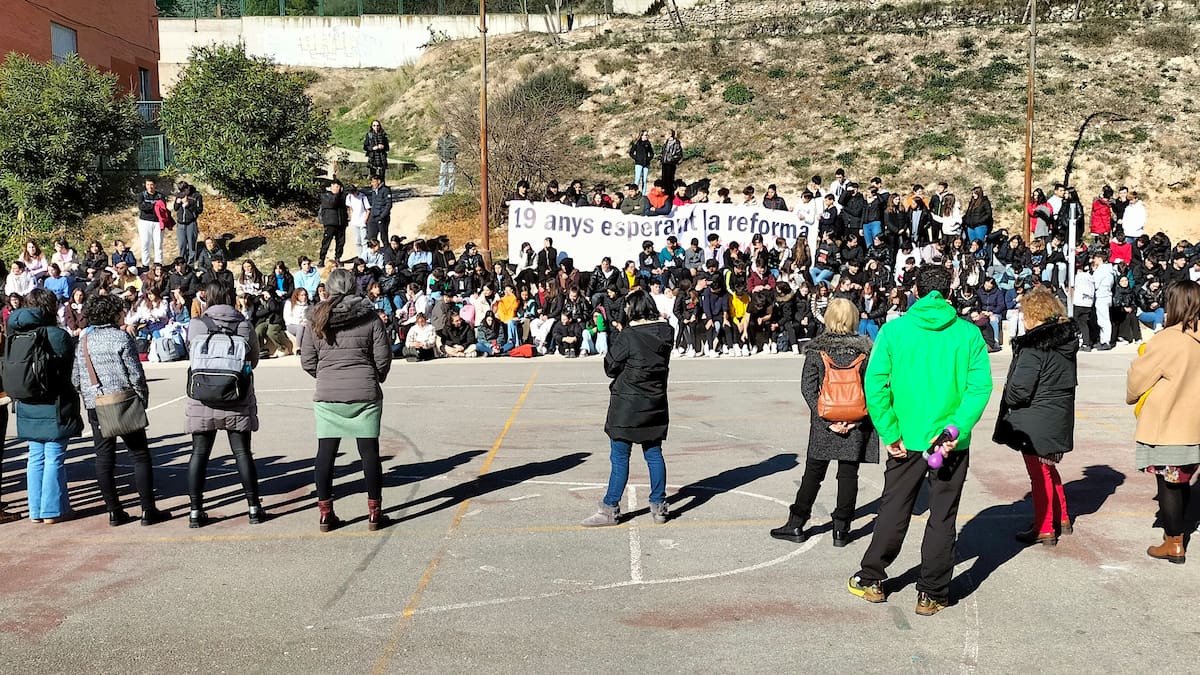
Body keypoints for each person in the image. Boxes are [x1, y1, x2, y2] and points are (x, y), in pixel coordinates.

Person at [847, 265, 992, 616]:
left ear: (915, 288)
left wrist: (889, 430)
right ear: (949, 289)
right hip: (949, 442)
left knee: (894, 507)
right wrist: (955, 428)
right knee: (942, 515)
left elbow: (875, 384)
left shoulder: (895, 331)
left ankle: (872, 577)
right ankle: (932, 592)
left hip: (907, 437)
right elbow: (979, 388)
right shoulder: (968, 334)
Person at [770, 298, 878, 546]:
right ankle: (841, 529)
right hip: (856, 419)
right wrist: (855, 419)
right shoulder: (866, 350)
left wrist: (826, 420)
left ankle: (796, 523)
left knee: (813, 474)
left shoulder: (817, 349)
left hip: (825, 420)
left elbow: (808, 388)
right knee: (849, 474)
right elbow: (873, 388)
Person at [301, 269, 393, 532]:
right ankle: (375, 512)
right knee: (370, 454)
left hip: (329, 394)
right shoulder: (370, 317)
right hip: (364, 391)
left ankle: (325, 513)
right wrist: (375, 377)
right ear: (354, 288)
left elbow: (307, 360)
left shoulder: (316, 318)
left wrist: (325, 376)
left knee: (325, 454)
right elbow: (383, 357)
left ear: (327, 289)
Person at [71, 293, 168, 526]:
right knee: (139, 455)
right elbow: (136, 374)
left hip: (97, 404)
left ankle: (114, 510)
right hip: (124, 400)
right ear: (113, 314)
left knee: (104, 459)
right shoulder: (121, 338)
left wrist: (89, 395)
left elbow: (75, 378)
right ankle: (147, 509)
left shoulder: (84, 341)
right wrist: (141, 400)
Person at [993, 287, 1079, 547]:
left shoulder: (1034, 346)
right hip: (1057, 415)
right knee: (1048, 468)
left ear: (1034, 315)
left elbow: (1019, 391)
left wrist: (1007, 394)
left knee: (1039, 474)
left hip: (1035, 419)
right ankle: (1062, 517)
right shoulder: (1065, 341)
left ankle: (1044, 527)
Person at [582, 289, 673, 527]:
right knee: (653, 454)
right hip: (655, 401)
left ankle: (610, 508)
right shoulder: (666, 332)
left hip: (628, 404)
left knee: (620, 457)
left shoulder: (629, 335)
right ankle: (658, 505)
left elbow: (610, 366)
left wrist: (622, 337)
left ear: (633, 310)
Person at [1126, 280, 1200, 564]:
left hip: (1169, 424)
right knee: (1183, 481)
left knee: (1168, 485)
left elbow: (1137, 380)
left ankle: (1174, 542)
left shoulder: (1168, 339)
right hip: (1195, 425)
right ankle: (1177, 536)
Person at [184, 283, 267, 527]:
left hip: (202, 395)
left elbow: (192, 355)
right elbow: (253, 360)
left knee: (199, 453)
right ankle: (253, 507)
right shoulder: (243, 324)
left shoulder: (197, 324)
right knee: (242, 452)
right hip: (236, 395)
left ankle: (195, 511)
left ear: (207, 298)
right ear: (231, 298)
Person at [8, 289, 84, 524]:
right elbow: (67, 369)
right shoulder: (57, 335)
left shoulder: (16, 334)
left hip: (26, 400)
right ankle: (53, 510)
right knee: (54, 457)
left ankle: (36, 510)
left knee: (35, 457)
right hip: (55, 402)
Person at [318, 180, 349, 265]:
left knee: (340, 242)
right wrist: (336, 194)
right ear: (332, 186)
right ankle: (322, 259)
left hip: (341, 223)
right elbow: (333, 204)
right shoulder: (325, 195)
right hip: (330, 223)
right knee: (326, 242)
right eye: (336, 186)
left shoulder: (341, 196)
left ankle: (338, 258)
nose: (337, 188)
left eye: (339, 187)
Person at [136, 178, 164, 268]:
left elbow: (162, 208)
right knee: (145, 244)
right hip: (145, 221)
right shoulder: (141, 195)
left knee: (158, 244)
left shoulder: (160, 196)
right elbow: (142, 207)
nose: (150, 187)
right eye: (148, 185)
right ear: (145, 185)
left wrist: (150, 206)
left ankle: (158, 264)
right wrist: (155, 206)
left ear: (154, 185)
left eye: (151, 185)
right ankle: (145, 265)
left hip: (157, 222)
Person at [173, 182, 203, 266]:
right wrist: (177, 203)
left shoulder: (197, 196)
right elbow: (175, 208)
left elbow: (200, 210)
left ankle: (191, 264)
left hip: (191, 223)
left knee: (191, 244)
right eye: (181, 191)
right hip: (180, 224)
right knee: (182, 244)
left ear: (188, 188)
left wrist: (188, 205)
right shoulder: (179, 195)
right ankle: (182, 262)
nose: (183, 193)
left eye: (184, 191)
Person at [366, 175, 392, 245]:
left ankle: (387, 252)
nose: (372, 183)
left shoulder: (386, 190)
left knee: (384, 237)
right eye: (371, 182)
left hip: (382, 217)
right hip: (373, 216)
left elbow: (389, 205)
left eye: (374, 182)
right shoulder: (374, 191)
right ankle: (374, 252)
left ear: (379, 181)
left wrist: (382, 216)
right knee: (371, 237)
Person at [436, 127, 459, 195]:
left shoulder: (453, 139)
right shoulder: (440, 139)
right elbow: (438, 149)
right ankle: (441, 191)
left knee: (451, 175)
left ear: (447, 130)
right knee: (442, 175)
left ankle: (450, 191)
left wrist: (451, 156)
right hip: (443, 160)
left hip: (451, 160)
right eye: (441, 130)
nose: (443, 131)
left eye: (444, 129)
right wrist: (441, 157)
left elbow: (457, 149)